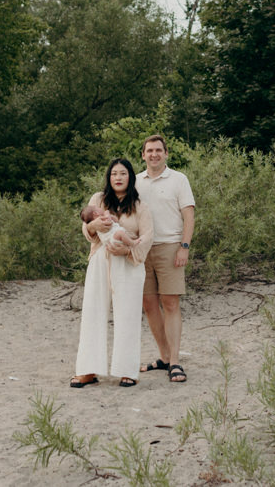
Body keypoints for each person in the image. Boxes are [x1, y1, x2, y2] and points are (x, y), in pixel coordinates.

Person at [71, 158, 153, 388]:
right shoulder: (98, 199)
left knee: (127, 315)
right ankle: (88, 370)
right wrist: (94, 227)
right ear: (109, 177)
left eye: (123, 173)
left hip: (128, 264)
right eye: (114, 173)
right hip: (100, 260)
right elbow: (86, 228)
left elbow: (147, 236)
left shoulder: (140, 206)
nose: (118, 177)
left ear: (130, 177)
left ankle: (127, 371)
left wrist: (128, 249)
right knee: (93, 312)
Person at [135, 135, 195, 383]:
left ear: (166, 153)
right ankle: (164, 357)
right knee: (149, 305)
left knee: (170, 304)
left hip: (170, 247)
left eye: (158, 150)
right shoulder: (136, 181)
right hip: (142, 250)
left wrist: (184, 247)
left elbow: (189, 216)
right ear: (143, 155)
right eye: (149, 151)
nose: (154, 154)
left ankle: (176, 362)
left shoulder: (179, 180)